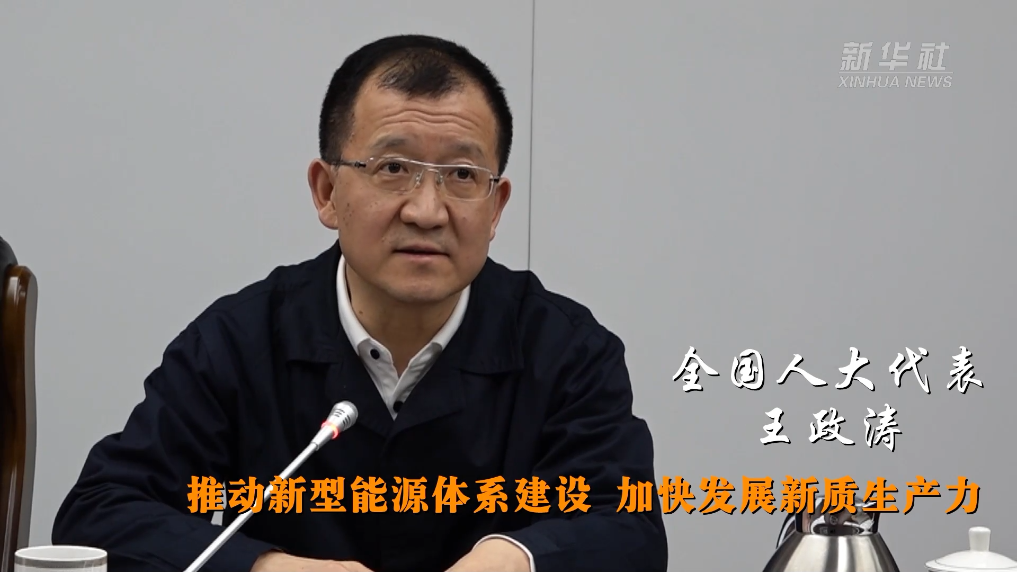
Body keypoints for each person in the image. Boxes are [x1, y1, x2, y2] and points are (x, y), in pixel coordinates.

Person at [52, 34, 668, 572]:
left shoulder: (565, 349)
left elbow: (629, 529)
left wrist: (517, 557)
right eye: (393, 167)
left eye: (462, 175)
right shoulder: (241, 339)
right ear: (326, 191)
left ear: (496, 207)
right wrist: (265, 567)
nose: (426, 211)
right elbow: (102, 513)